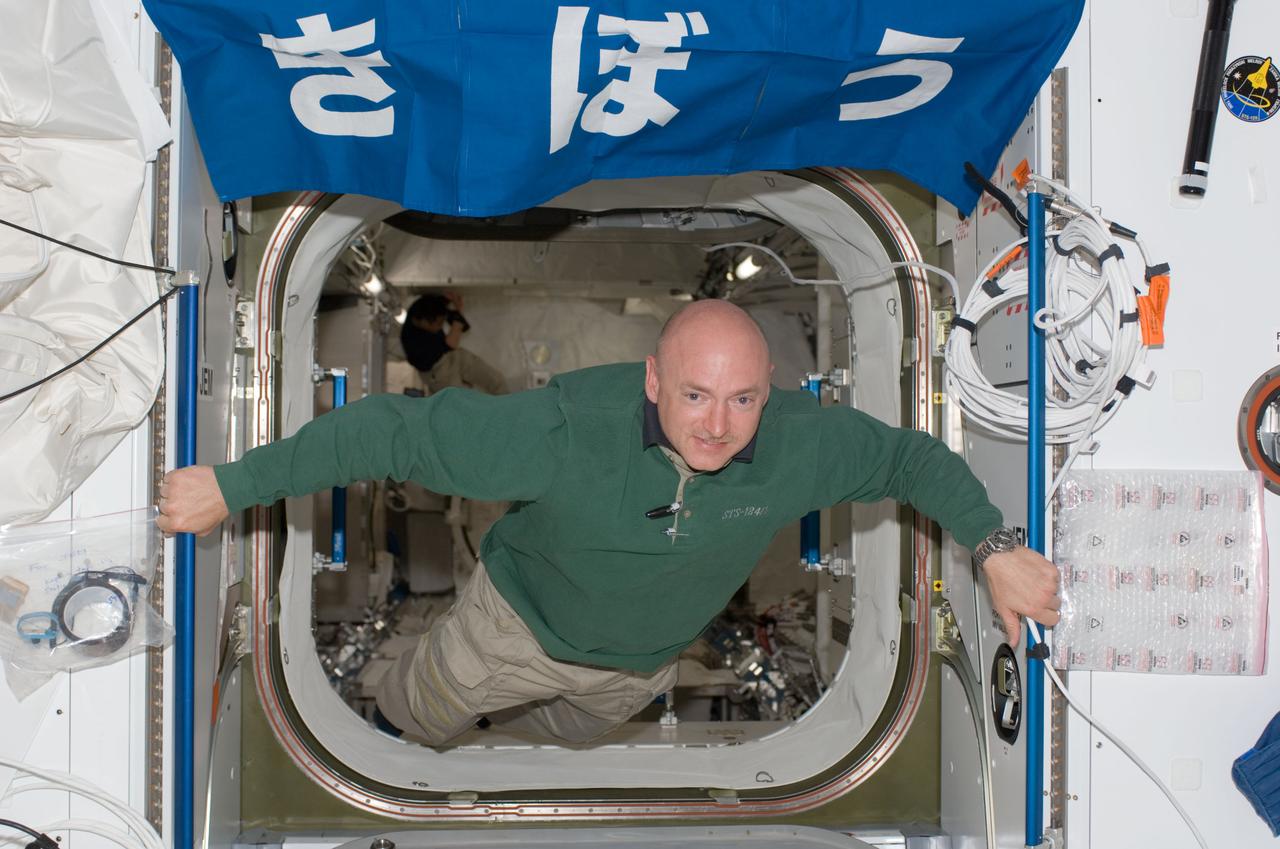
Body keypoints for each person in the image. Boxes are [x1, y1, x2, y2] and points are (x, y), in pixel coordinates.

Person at [157, 300, 1060, 746]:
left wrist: (996, 547)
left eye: (743, 398)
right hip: (511, 624)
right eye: (696, 394)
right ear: (654, 380)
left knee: (559, 741)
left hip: (636, 668)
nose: (718, 423)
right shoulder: (558, 433)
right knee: (417, 719)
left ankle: (505, 748)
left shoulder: (798, 443)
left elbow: (911, 457)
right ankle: (399, 752)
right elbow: (392, 430)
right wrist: (237, 482)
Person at [400, 292, 506, 395]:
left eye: (441, 322)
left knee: (495, 380)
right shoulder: (412, 342)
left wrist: (450, 299)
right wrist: (458, 316)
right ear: (422, 321)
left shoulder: (421, 308)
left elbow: (437, 303)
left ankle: (509, 406)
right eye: (437, 324)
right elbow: (451, 343)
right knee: (457, 404)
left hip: (453, 356)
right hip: (437, 372)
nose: (439, 327)